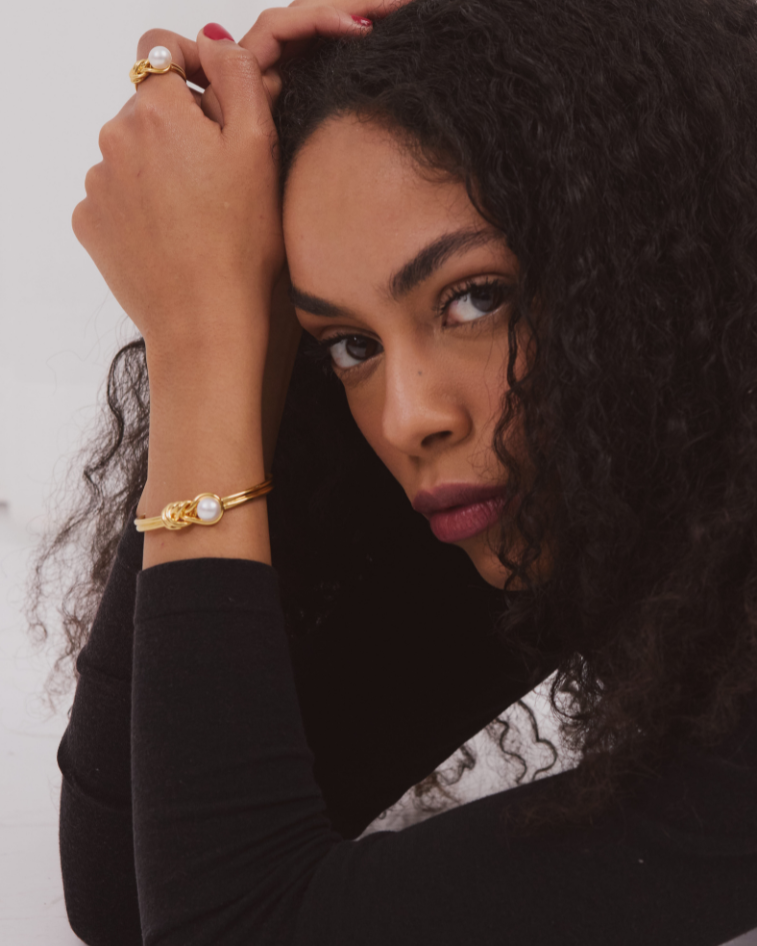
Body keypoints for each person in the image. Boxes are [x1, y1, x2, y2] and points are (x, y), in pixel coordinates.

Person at [29, 0, 757, 942]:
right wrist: (238, 337)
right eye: (346, 344)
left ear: (658, 264)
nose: (410, 416)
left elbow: (229, 928)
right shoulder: (586, 478)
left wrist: (201, 345)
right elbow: (129, 891)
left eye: (476, 298)